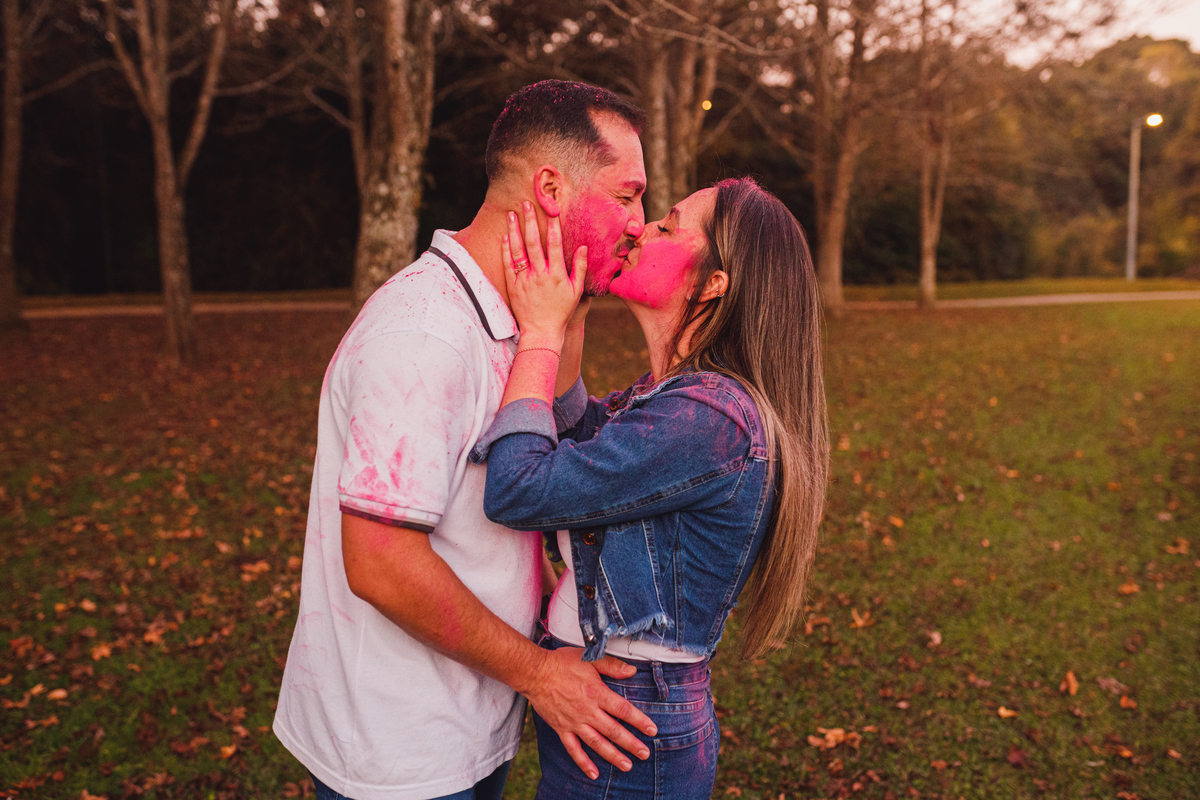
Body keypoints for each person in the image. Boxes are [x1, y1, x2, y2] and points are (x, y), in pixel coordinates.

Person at [273, 81, 661, 800]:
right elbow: (382, 562)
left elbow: (493, 500)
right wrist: (542, 673)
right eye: (627, 195)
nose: (640, 223)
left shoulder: (514, 318)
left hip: (473, 715)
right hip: (397, 749)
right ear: (550, 187)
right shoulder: (424, 333)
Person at [470, 177, 829, 799]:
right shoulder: (673, 398)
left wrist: (542, 337)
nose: (642, 227)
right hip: (614, 702)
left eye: (668, 223)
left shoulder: (710, 420)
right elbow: (585, 448)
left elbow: (521, 489)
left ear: (714, 284)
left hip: (630, 718)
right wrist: (574, 313)